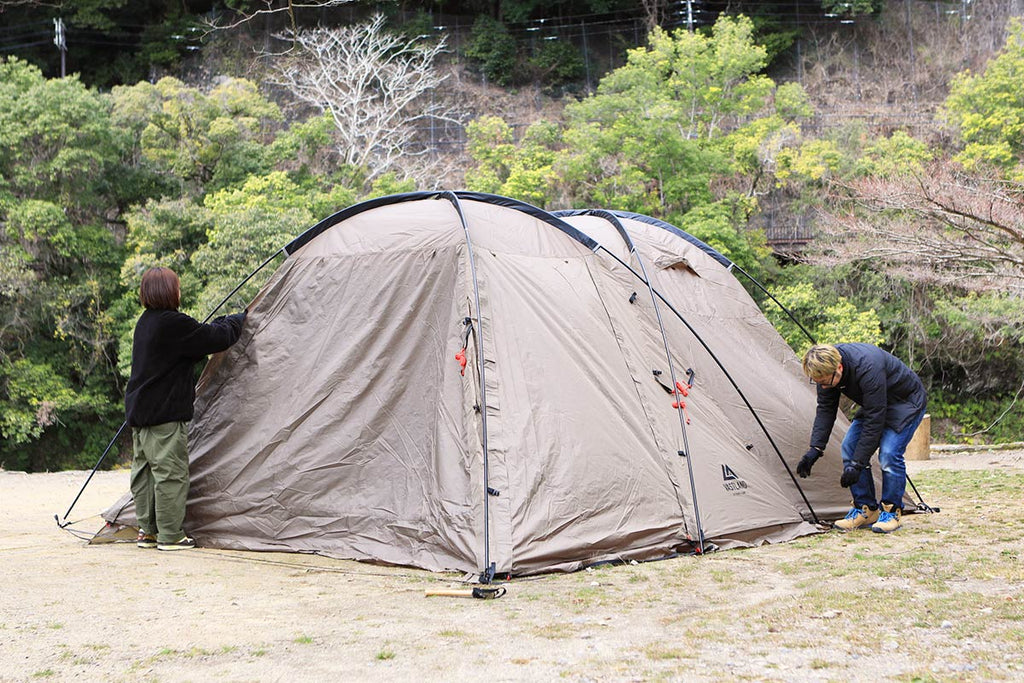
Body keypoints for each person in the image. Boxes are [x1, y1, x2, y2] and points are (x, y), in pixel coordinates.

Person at [125, 267, 246, 551]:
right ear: (170, 291)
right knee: (170, 474)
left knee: (144, 474)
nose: (180, 291)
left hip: (139, 413)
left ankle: (148, 531)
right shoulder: (172, 323)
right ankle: (170, 535)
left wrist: (220, 323)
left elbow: (195, 341)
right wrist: (237, 320)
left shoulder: (146, 322)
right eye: (177, 287)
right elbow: (216, 339)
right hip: (165, 414)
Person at [795, 343, 927, 533]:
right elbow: (825, 409)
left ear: (838, 368)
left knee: (889, 454)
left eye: (824, 382)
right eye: (818, 382)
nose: (822, 386)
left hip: (906, 403)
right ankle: (866, 509)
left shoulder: (867, 367)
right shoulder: (826, 371)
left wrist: (858, 464)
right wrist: (815, 449)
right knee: (849, 447)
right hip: (875, 403)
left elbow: (875, 420)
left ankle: (892, 511)